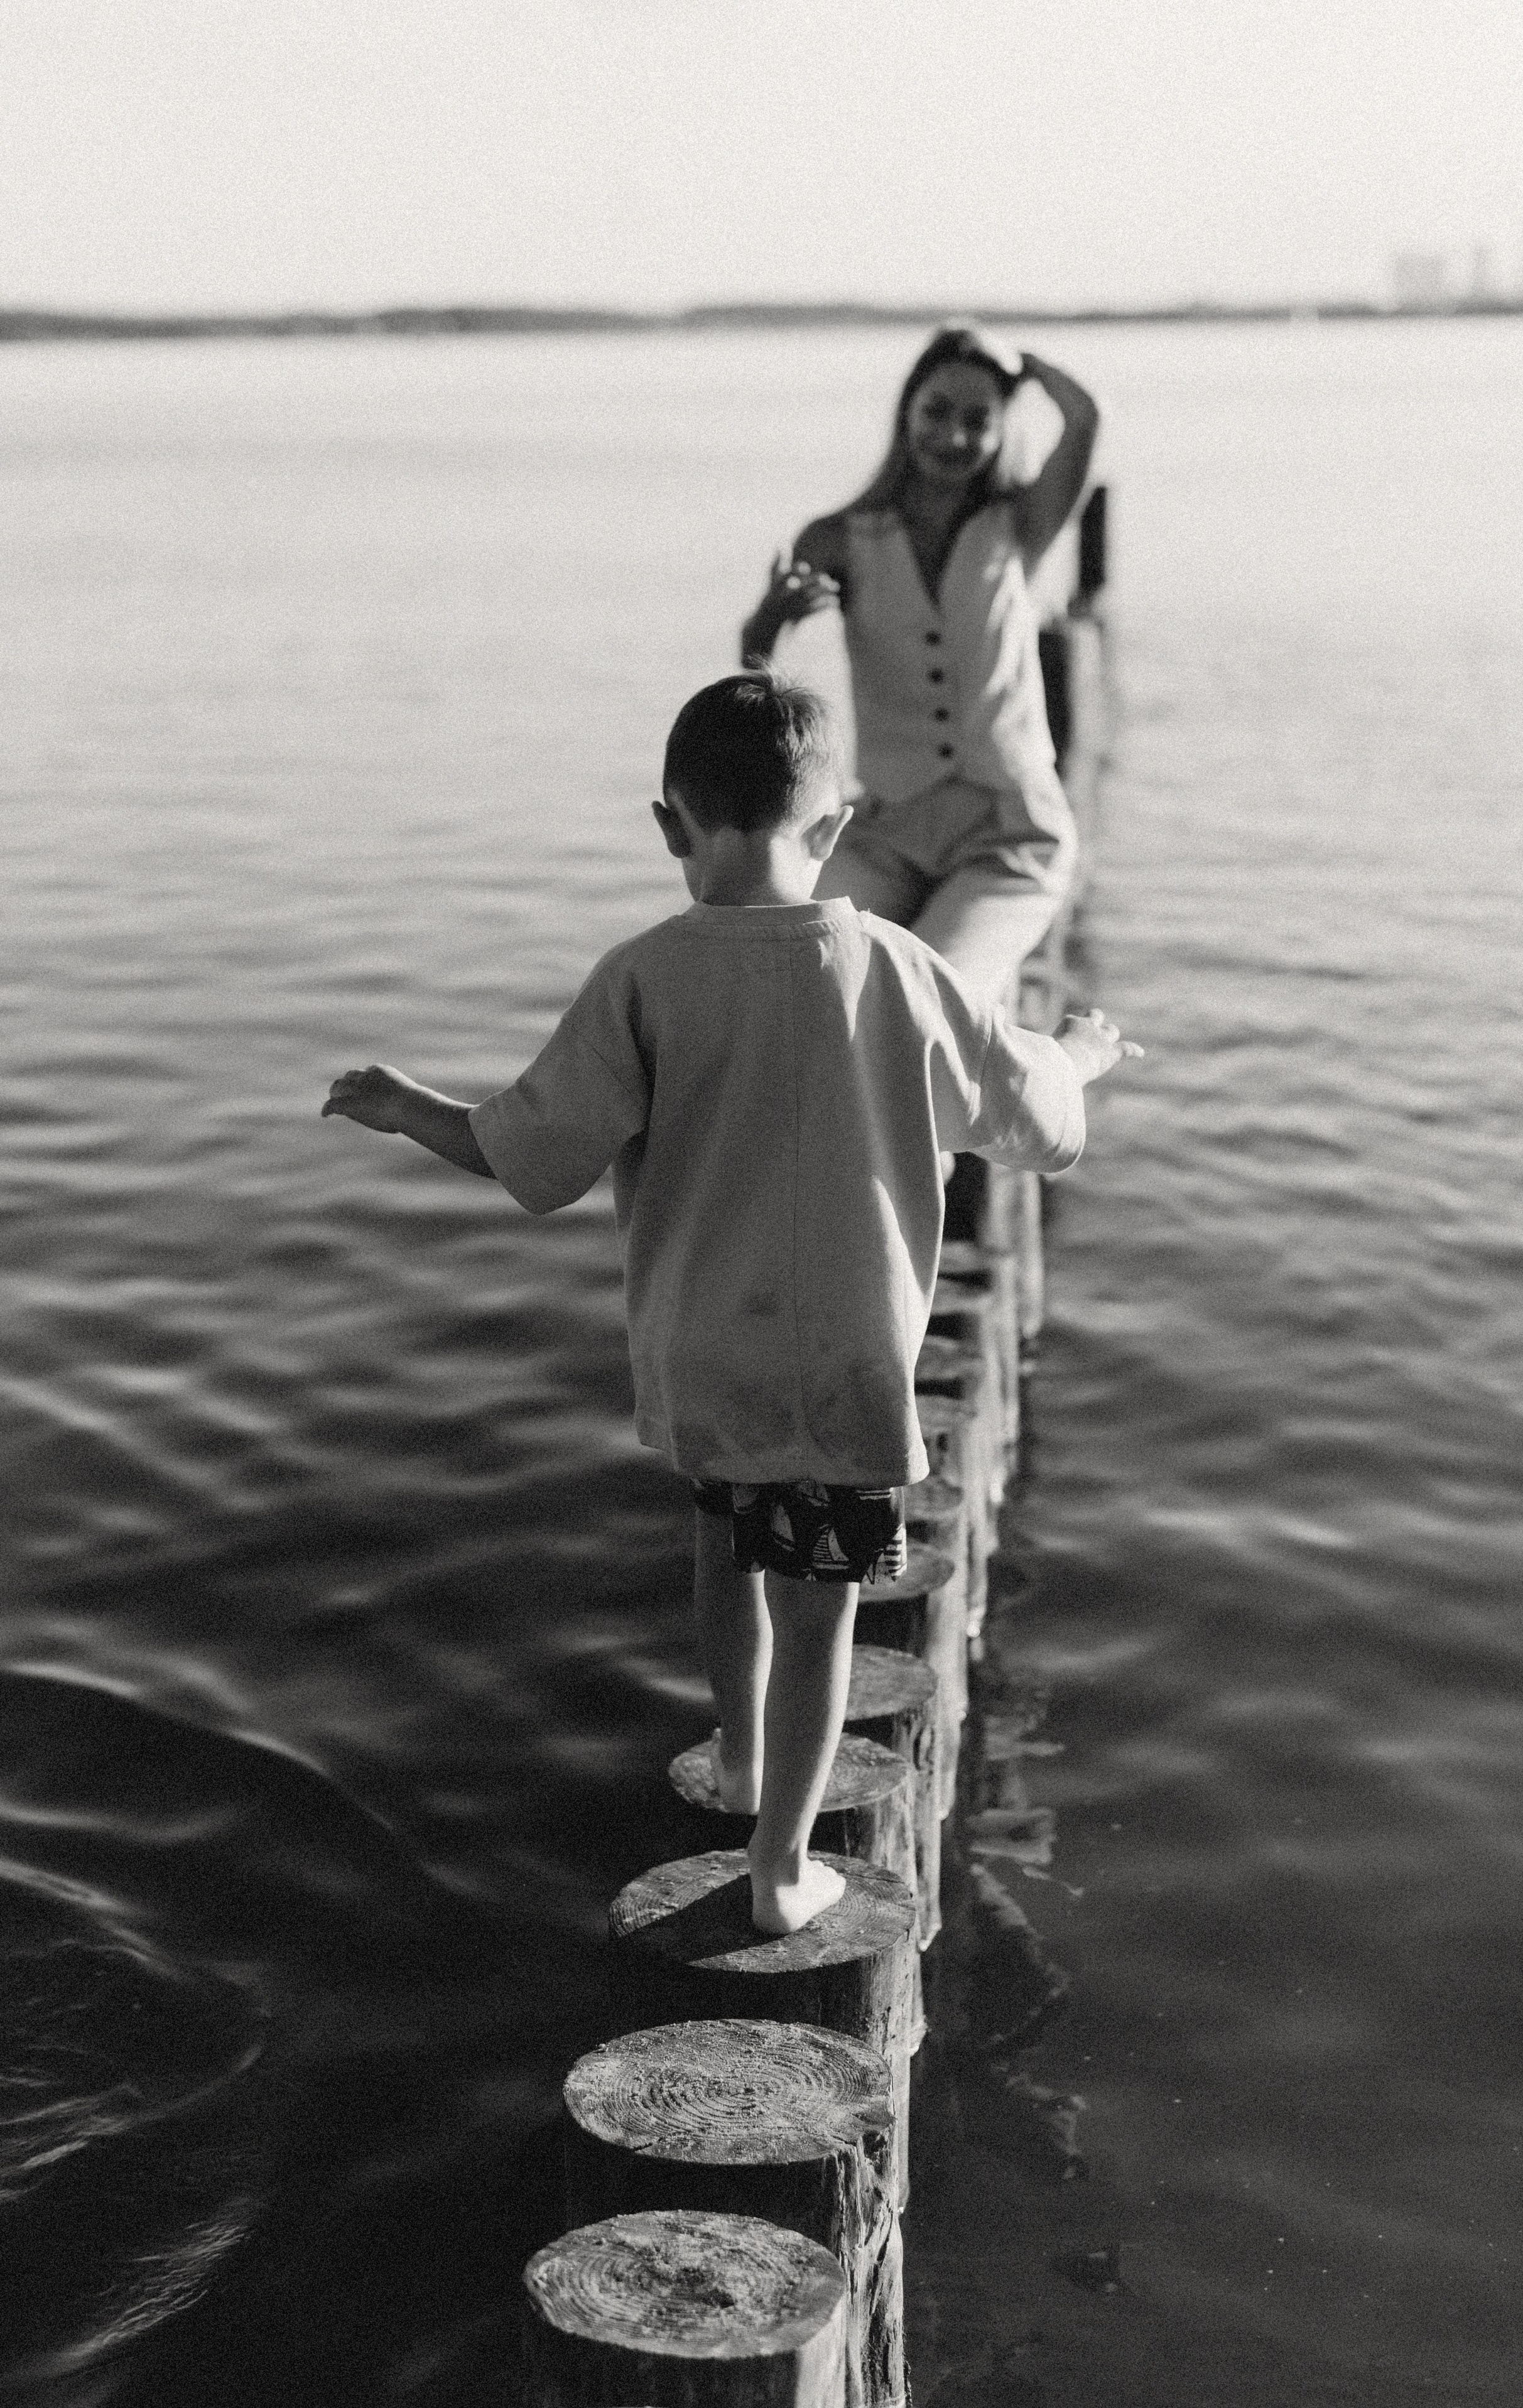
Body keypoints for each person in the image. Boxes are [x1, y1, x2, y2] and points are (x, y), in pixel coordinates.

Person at [322, 671, 1137, 1935]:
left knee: (723, 1549)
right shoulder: (897, 966)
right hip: (841, 1370)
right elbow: (1028, 1115)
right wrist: (1080, 1054)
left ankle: (740, 1755)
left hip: (702, 1361)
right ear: (838, 825)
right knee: (821, 1620)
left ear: (669, 825)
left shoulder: (642, 977)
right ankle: (780, 1866)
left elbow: (529, 1156)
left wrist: (405, 1104)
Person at [740, 323, 1099, 1005]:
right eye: (937, 410)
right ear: (906, 409)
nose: (954, 436)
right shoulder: (839, 538)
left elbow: (1084, 417)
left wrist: (1018, 364)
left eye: (977, 420)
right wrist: (770, 622)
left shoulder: (1020, 525)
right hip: (886, 831)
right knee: (786, 970)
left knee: (927, 995)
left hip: (1009, 835)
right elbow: (757, 686)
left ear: (1000, 430)